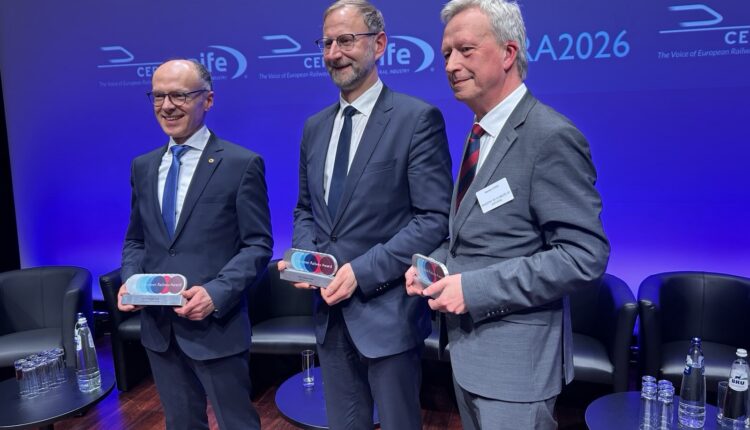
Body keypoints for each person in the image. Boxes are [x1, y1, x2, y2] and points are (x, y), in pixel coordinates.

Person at [405, 1, 610, 428]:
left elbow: (583, 256)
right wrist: (435, 264)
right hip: (469, 358)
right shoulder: (478, 133)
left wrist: (473, 289)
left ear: (508, 53)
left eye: (465, 49)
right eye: (446, 54)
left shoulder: (550, 136)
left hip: (518, 372)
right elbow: (476, 234)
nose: (451, 65)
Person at [278, 1, 452, 428]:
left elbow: (433, 218)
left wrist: (360, 272)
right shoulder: (314, 127)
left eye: (346, 40)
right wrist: (306, 257)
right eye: (327, 43)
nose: (334, 53)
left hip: (388, 315)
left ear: (379, 44)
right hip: (329, 315)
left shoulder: (416, 119)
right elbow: (306, 209)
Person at [117, 59, 272, 430]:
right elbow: (137, 239)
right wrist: (131, 279)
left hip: (216, 328)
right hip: (160, 331)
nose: (167, 106)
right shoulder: (142, 166)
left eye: (179, 96)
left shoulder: (241, 163)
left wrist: (215, 294)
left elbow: (257, 245)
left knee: (238, 424)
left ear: (209, 99)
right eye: (158, 96)